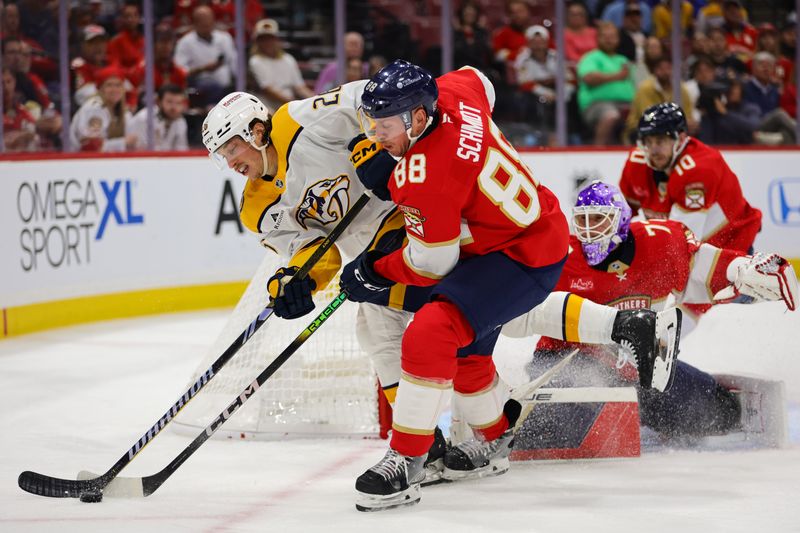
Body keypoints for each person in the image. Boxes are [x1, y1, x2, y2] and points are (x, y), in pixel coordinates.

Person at [200, 69, 680, 507]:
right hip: (427, 231)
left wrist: (366, 148)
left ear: (256, 130)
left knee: (437, 324)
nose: (229, 161)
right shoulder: (255, 208)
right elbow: (312, 250)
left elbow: (360, 101)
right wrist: (296, 279)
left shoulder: (298, 122)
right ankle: (485, 429)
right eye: (221, 156)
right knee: (459, 326)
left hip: (415, 227)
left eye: (231, 148)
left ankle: (418, 450)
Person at [339, 60, 680, 512]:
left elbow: (430, 264)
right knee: (468, 352)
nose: (375, 135)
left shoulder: (425, 177)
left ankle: (406, 459)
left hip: (518, 255)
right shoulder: (454, 91)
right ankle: (496, 439)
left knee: (432, 331)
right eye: (371, 123)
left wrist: (373, 272)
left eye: (384, 126)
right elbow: (481, 78)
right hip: (525, 232)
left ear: (418, 118)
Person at [517, 180, 797, 441]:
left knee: (712, 411)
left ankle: (731, 412)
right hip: (567, 359)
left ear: (621, 221)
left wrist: (741, 268)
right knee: (563, 424)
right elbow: (521, 308)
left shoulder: (660, 242)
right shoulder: (561, 258)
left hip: (641, 364)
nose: (589, 230)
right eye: (583, 220)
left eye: (598, 219)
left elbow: (704, 265)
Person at [619, 102, 762, 326]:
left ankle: (749, 293)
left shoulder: (700, 168)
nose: (653, 149)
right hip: (689, 250)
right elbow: (622, 222)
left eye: (660, 141)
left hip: (728, 251)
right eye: (648, 141)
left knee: (720, 329)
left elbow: (678, 243)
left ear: (681, 137)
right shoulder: (636, 165)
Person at [174, 5, 237, 107]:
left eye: (209, 20)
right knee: (211, 87)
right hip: (200, 89)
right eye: (202, 22)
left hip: (227, 89)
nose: (207, 24)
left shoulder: (225, 38)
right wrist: (202, 69)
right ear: (194, 23)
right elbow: (179, 71)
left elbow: (235, 65)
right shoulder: (185, 42)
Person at [248, 18, 313, 113]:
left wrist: (314, 100)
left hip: (289, 105)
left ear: (276, 39)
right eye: (263, 39)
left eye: (269, 38)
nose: (267, 42)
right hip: (267, 107)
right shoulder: (255, 61)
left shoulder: (288, 59)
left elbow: (299, 87)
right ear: (257, 42)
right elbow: (268, 90)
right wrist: (294, 103)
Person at [69, 66, 135, 152]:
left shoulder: (123, 110)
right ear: (100, 88)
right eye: (109, 85)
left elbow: (133, 138)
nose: (114, 89)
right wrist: (123, 142)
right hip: (80, 161)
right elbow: (90, 146)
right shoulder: (93, 107)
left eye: (118, 85)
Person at [126, 84, 189, 151]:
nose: (174, 107)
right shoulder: (145, 118)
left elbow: (181, 151)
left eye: (178, 103)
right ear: (158, 102)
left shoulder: (180, 122)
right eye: (169, 102)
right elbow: (142, 151)